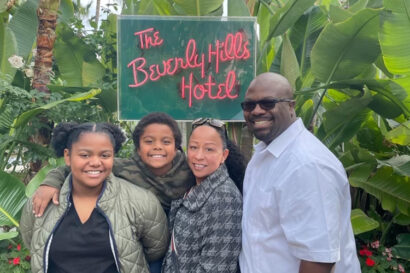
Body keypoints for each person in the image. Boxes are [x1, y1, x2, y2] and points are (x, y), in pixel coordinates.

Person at [30, 112, 195, 273]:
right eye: (149, 141)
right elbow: (74, 169)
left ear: (176, 146)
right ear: (137, 147)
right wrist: (50, 182)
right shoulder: (123, 167)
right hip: (139, 229)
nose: (157, 146)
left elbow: (156, 249)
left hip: (171, 235)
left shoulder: (189, 171)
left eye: (166, 141)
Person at [238, 72, 361, 273]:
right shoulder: (265, 153)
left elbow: (318, 259)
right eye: (249, 105)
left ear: (290, 106)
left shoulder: (306, 164)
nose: (256, 111)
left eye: (268, 103)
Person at [161, 118, 245, 273]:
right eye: (193, 147)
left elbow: (216, 267)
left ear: (224, 155)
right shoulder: (192, 184)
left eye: (209, 149)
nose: (199, 156)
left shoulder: (224, 199)